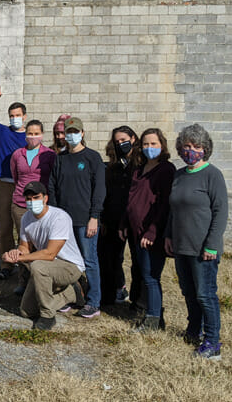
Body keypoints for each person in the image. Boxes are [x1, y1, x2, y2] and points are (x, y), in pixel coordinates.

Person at [165, 124, 228, 360]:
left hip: (204, 248)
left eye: (196, 146)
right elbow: (173, 210)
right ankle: (194, 330)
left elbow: (220, 212)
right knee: (189, 292)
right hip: (181, 245)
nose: (190, 150)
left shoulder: (213, 175)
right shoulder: (179, 175)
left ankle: (212, 341)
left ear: (205, 149)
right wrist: (168, 236)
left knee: (205, 294)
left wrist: (212, 244)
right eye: (186, 146)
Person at [2, 181, 85, 331]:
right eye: (28, 199)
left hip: (69, 266)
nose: (32, 202)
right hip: (46, 267)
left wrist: (20, 259)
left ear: (45, 198)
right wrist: (16, 253)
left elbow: (50, 254)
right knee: (26, 311)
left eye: (36, 197)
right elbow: (25, 247)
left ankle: (48, 316)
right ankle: (71, 293)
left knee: (38, 265)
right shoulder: (27, 218)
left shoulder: (59, 217)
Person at [48, 117, 105, 318]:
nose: (70, 136)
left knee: (89, 261)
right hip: (64, 221)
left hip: (85, 220)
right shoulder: (60, 158)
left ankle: (93, 302)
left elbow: (99, 190)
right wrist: (55, 216)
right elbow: (52, 187)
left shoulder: (92, 158)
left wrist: (94, 217)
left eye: (74, 131)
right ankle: (68, 297)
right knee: (65, 261)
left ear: (82, 133)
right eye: (67, 132)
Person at [119, 128, 175, 332]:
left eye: (153, 144)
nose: (149, 148)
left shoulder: (166, 170)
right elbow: (131, 200)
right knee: (143, 273)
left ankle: (153, 319)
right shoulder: (139, 169)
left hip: (151, 235)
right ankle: (152, 314)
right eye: (145, 144)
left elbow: (163, 205)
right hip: (135, 232)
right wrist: (124, 224)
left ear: (162, 145)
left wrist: (152, 231)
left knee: (151, 277)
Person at [5, 119, 56, 291]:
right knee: (24, 243)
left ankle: (40, 279)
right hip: (20, 203)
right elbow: (16, 177)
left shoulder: (49, 154)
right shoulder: (17, 154)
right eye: (30, 134)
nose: (33, 137)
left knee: (41, 243)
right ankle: (23, 280)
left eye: (36, 134)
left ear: (42, 134)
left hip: (41, 204)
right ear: (25, 134)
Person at [99, 126, 139, 306]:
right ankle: (111, 293)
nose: (121, 144)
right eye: (117, 142)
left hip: (134, 220)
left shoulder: (140, 165)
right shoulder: (112, 166)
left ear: (133, 139)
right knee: (111, 257)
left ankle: (138, 301)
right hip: (113, 218)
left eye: (124, 140)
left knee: (138, 263)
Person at [0, 102, 29, 279]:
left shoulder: (30, 136)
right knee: (5, 225)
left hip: (23, 185)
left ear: (24, 116)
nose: (14, 119)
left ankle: (25, 265)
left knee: (24, 227)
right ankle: (7, 264)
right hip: (4, 184)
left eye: (17, 115)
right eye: (11, 116)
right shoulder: (3, 132)